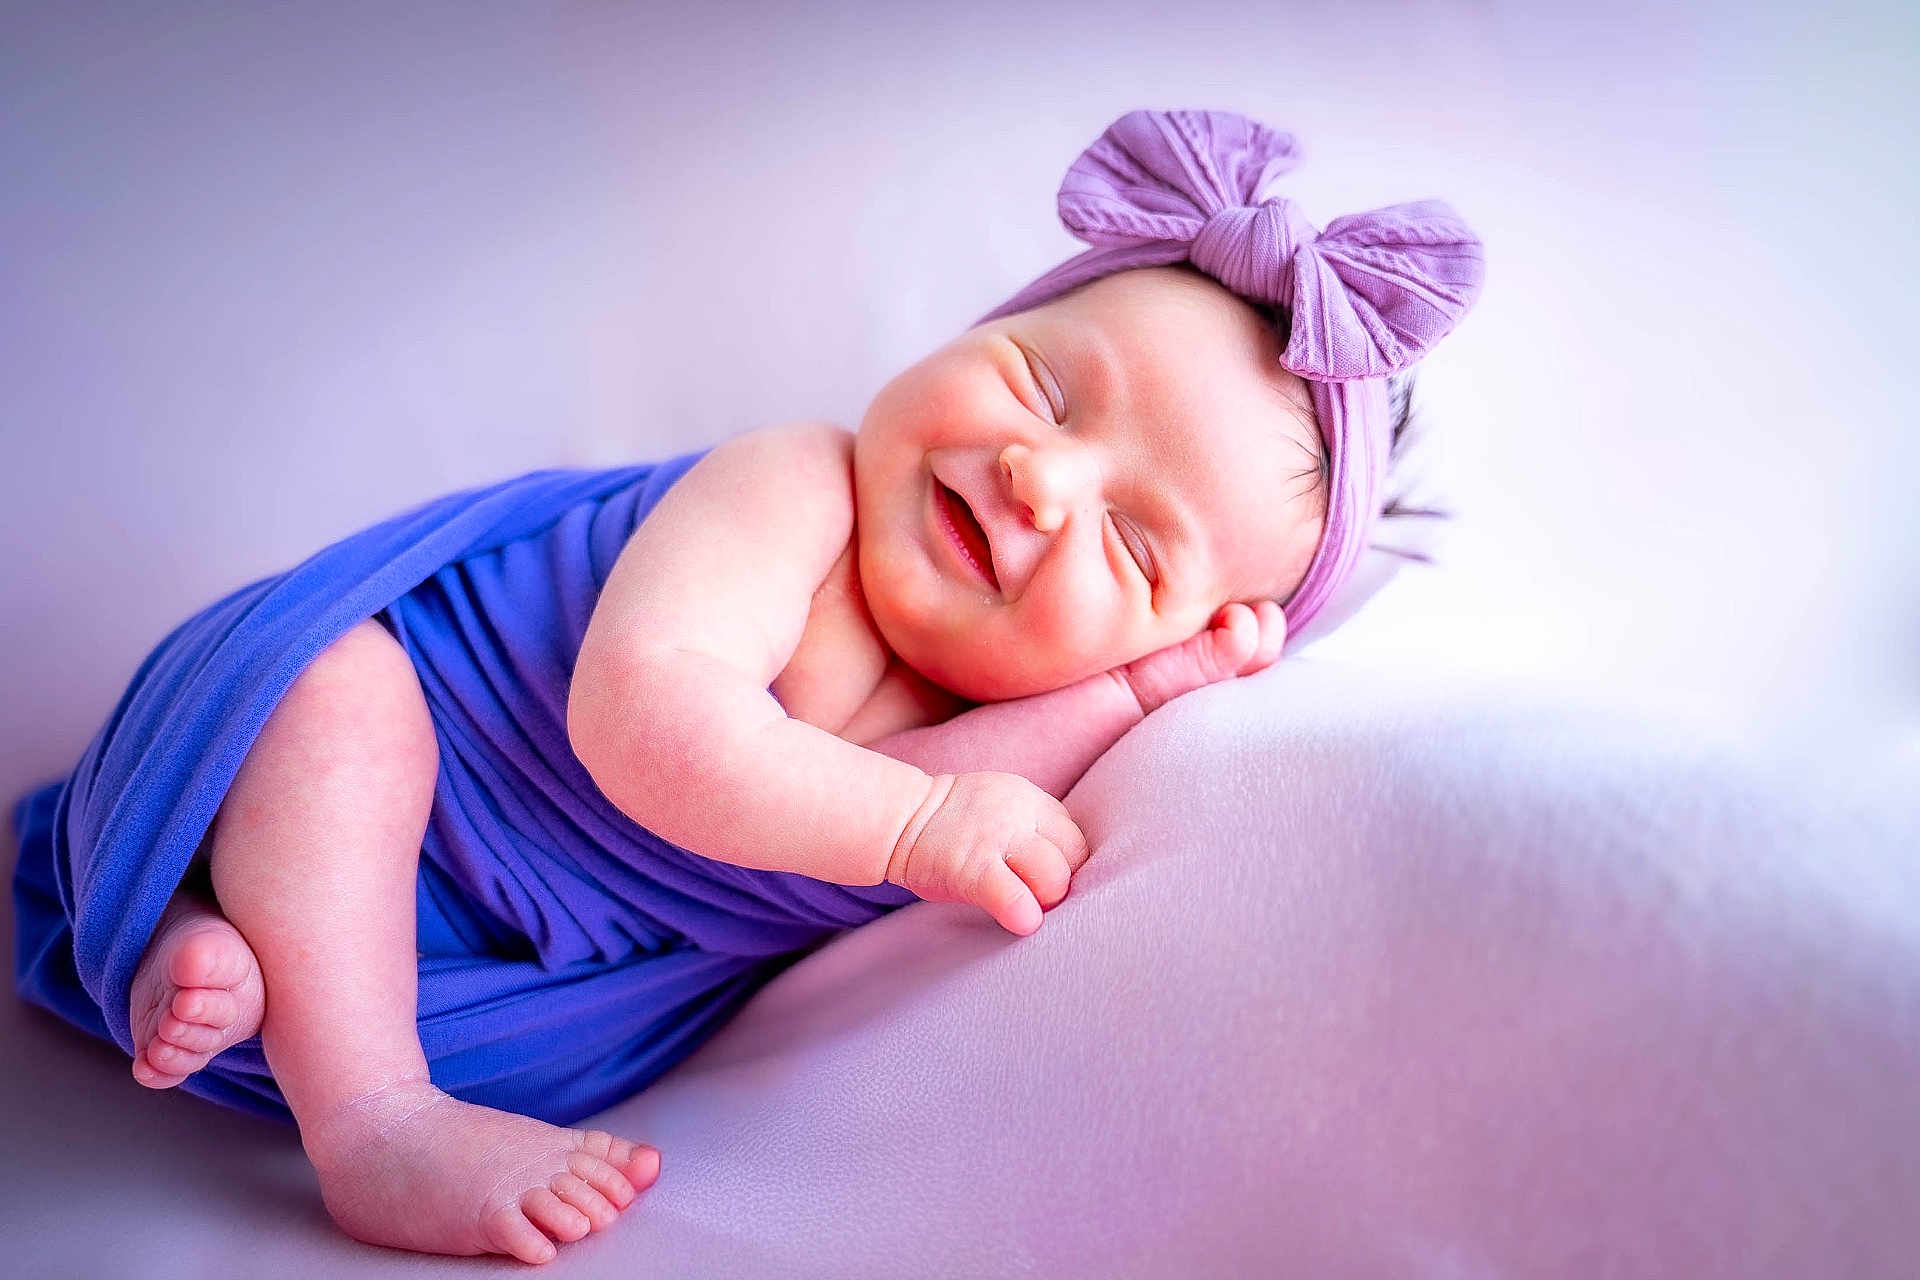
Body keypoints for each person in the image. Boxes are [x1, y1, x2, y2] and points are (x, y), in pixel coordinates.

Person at [10, 108, 1483, 1264]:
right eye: (1043, 383)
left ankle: (232, 953)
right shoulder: (796, 488)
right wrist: (913, 832)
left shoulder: (1013, 711)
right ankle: (372, 1110)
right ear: (981, 329)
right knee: (337, 702)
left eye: (1129, 540)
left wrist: (1147, 690)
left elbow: (995, 789)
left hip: (512, 959)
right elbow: (647, 717)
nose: (1040, 476)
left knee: (315, 907)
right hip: (422, 754)